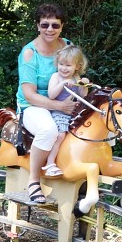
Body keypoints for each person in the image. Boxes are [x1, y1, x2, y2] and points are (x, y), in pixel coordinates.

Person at [15, 3, 78, 203]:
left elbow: (75, 72)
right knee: (49, 130)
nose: (50, 29)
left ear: (62, 26)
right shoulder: (29, 53)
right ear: (37, 26)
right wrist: (60, 107)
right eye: (45, 25)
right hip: (34, 106)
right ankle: (34, 181)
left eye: (55, 25)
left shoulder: (67, 46)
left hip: (64, 100)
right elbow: (29, 95)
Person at [42, 45, 90, 177]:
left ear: (77, 66)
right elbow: (51, 95)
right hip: (59, 113)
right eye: (61, 64)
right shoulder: (56, 77)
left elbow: (83, 95)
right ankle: (50, 162)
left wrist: (84, 85)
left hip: (73, 113)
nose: (63, 68)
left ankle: (72, 160)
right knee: (61, 135)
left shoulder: (76, 78)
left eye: (68, 65)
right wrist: (62, 84)